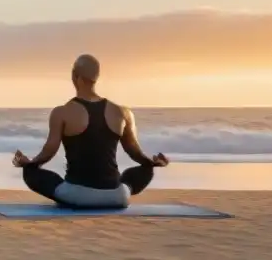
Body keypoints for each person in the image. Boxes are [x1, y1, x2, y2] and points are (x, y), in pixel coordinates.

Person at [13, 54, 169, 208]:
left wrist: (29, 163)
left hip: (78, 196)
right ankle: (119, 191)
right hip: (116, 197)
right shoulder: (122, 112)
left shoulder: (62, 112)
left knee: (31, 173)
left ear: (75, 76)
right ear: (97, 77)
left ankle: (46, 179)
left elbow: (48, 152)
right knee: (144, 171)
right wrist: (153, 163)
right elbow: (135, 153)